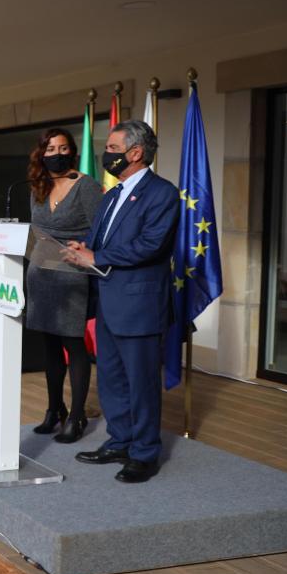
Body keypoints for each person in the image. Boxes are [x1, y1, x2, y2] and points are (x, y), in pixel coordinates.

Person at [65, 120, 180, 484]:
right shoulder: (113, 194)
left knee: (141, 381)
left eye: (113, 149)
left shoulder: (162, 193)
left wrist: (97, 257)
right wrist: (84, 247)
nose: (107, 155)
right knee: (112, 378)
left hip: (139, 305)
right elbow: (99, 238)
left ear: (136, 153)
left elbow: (151, 245)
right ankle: (120, 440)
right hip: (108, 301)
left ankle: (145, 452)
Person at [24, 128, 102, 443]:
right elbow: (35, 228)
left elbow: (101, 230)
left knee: (73, 344)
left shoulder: (86, 186)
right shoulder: (37, 186)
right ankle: (54, 409)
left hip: (72, 275)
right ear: (41, 154)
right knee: (49, 346)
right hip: (41, 272)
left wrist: (82, 247)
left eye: (63, 147)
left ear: (72, 151)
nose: (57, 153)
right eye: (51, 148)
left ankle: (77, 415)